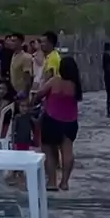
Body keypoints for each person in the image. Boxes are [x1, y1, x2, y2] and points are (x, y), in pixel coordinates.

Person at [34, 55, 82, 191]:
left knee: (49, 150)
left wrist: (34, 101)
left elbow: (40, 94)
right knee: (67, 152)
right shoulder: (75, 85)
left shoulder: (54, 81)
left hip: (52, 120)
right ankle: (65, 182)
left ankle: (52, 182)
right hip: (70, 122)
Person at [10, 33, 33, 98]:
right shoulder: (13, 55)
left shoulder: (26, 57)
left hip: (22, 92)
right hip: (14, 91)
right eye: (11, 41)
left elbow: (27, 76)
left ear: (20, 42)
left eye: (14, 41)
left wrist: (25, 92)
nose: (11, 43)